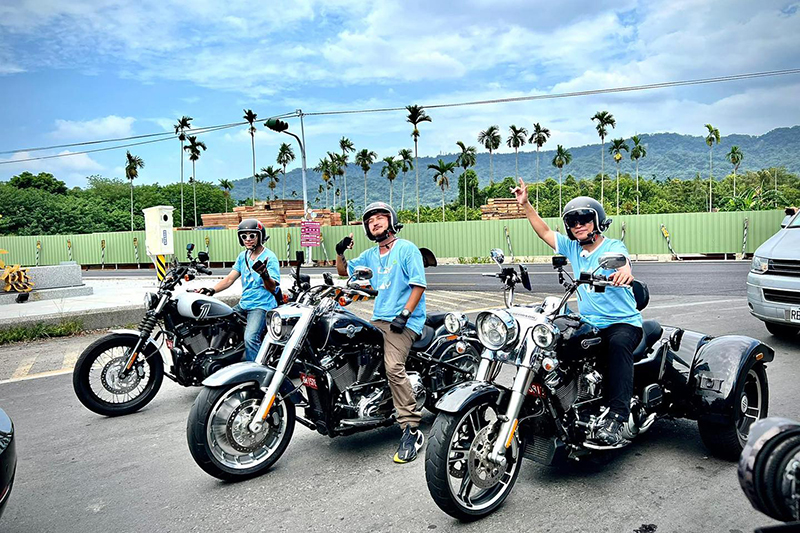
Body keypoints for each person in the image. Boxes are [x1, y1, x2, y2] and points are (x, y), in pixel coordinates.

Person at [511, 178, 643, 447]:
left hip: (622, 323)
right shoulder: (572, 248)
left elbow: (624, 264)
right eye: (573, 222)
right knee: (555, 343)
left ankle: (617, 417)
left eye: (584, 220)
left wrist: (623, 273)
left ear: (597, 222)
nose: (578, 225)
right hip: (589, 322)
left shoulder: (612, 247)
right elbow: (544, 231)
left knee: (618, 345)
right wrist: (525, 205)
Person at [335, 202, 427, 463]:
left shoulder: (406, 249)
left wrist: (405, 314)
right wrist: (340, 252)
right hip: (379, 319)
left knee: (393, 368)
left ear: (391, 221)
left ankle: (411, 429)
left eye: (379, 218)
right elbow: (343, 272)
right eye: (370, 220)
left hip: (404, 321)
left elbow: (419, 285)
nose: (374, 223)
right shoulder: (370, 255)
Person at [195, 218, 281, 362]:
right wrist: (212, 290)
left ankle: (256, 369)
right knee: (220, 324)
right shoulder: (243, 256)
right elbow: (229, 279)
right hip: (244, 304)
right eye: (244, 236)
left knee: (250, 338)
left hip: (261, 305)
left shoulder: (269, 257)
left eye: (252, 235)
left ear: (260, 236)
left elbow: (272, 287)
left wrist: (265, 275)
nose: (248, 239)